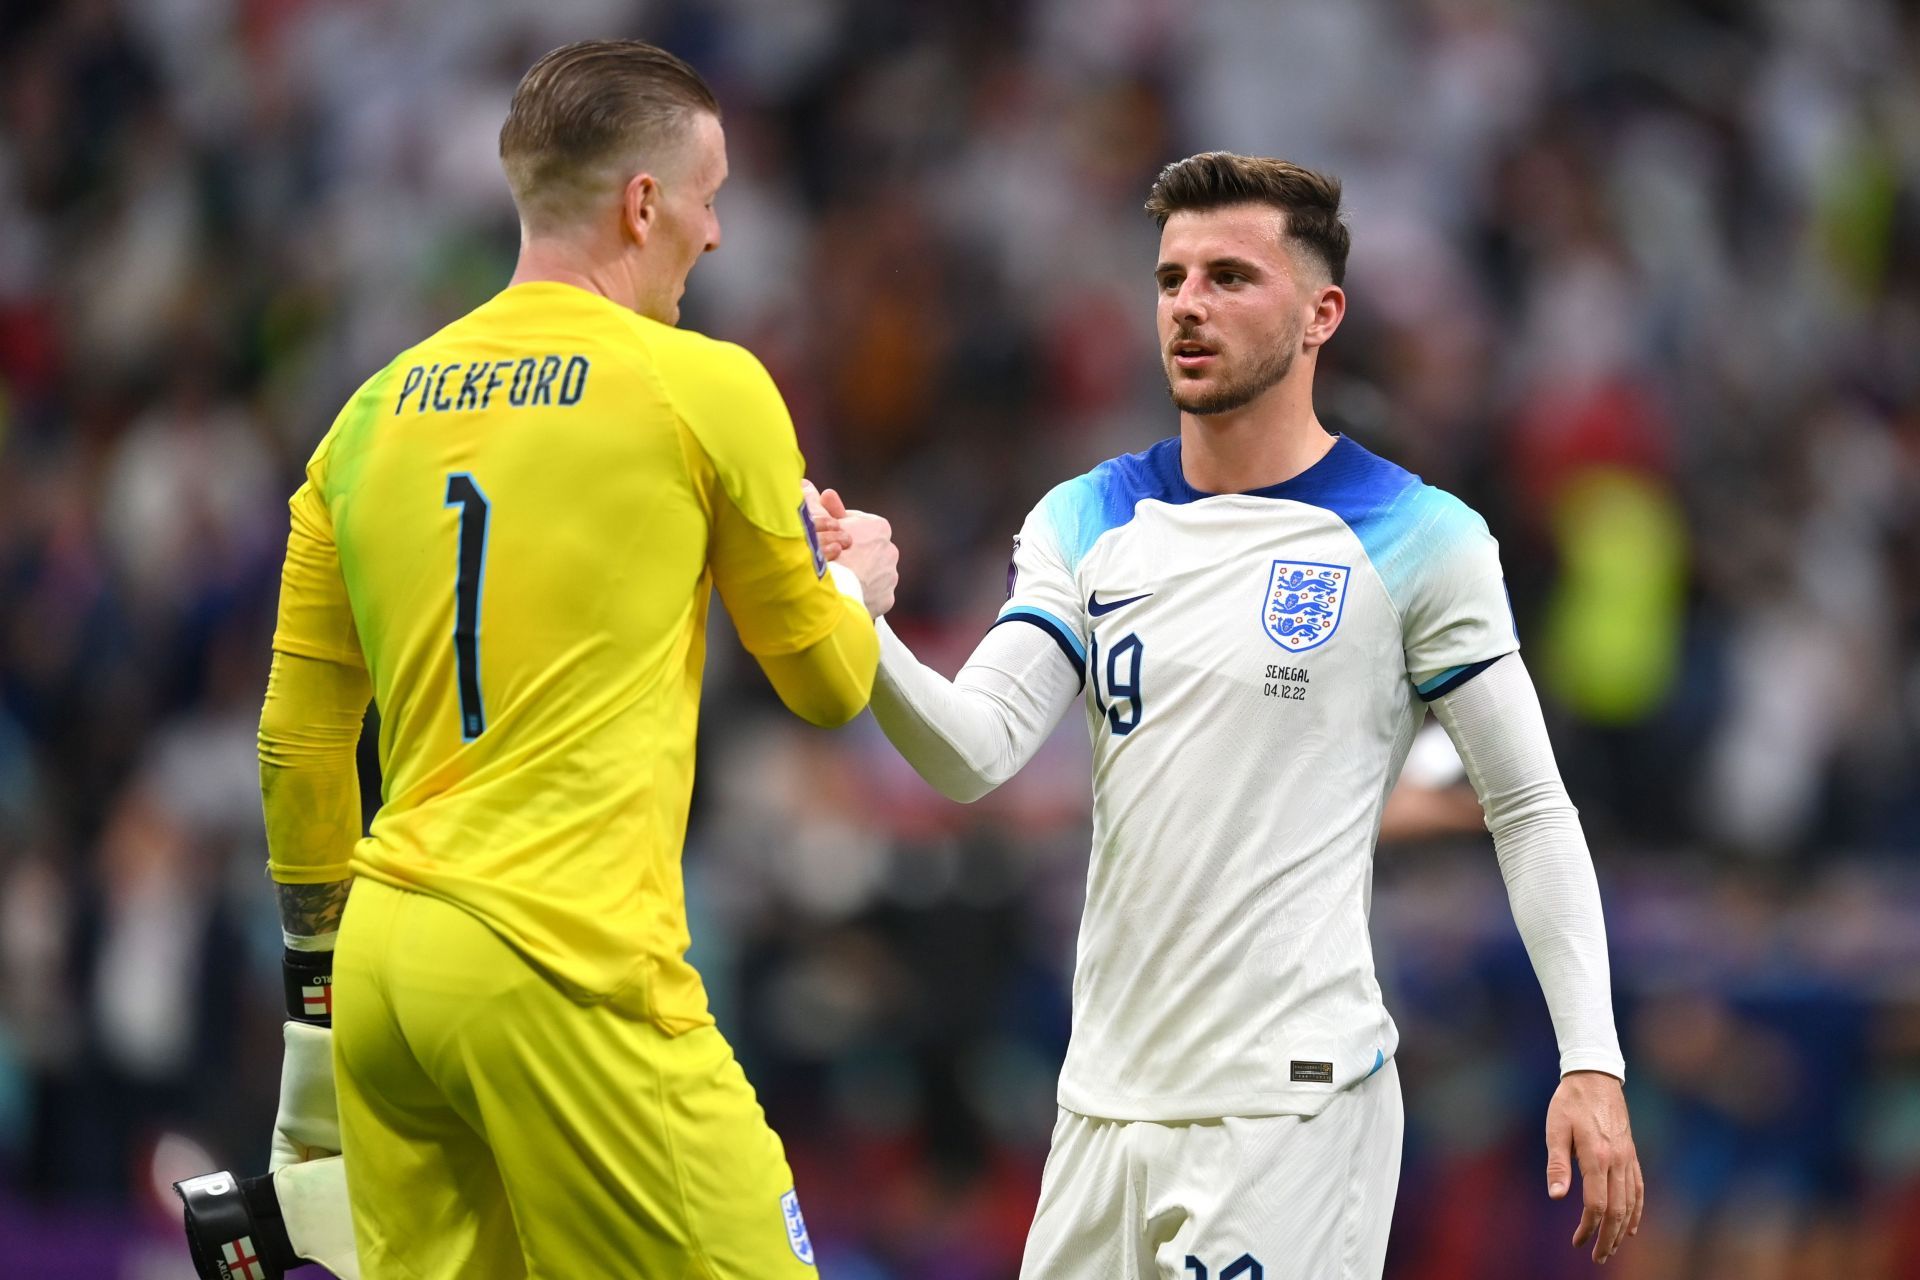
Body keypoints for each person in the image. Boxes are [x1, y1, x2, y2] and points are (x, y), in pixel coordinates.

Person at [819, 152, 1643, 1278]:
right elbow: (974, 753)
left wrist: (1589, 1058)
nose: (1189, 305)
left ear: (1321, 314)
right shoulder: (1087, 514)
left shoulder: (1421, 536)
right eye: (1171, 279)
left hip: (1289, 1107)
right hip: (1102, 1105)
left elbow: (1531, 806)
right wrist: (854, 618)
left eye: (1229, 276)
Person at [231, 39, 896, 1280]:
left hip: (386, 974)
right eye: (712, 194)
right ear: (645, 203)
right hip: (565, 961)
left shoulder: (365, 414)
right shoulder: (703, 386)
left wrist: (318, 998)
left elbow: (298, 741)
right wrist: (855, 581)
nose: (718, 233)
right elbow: (828, 682)